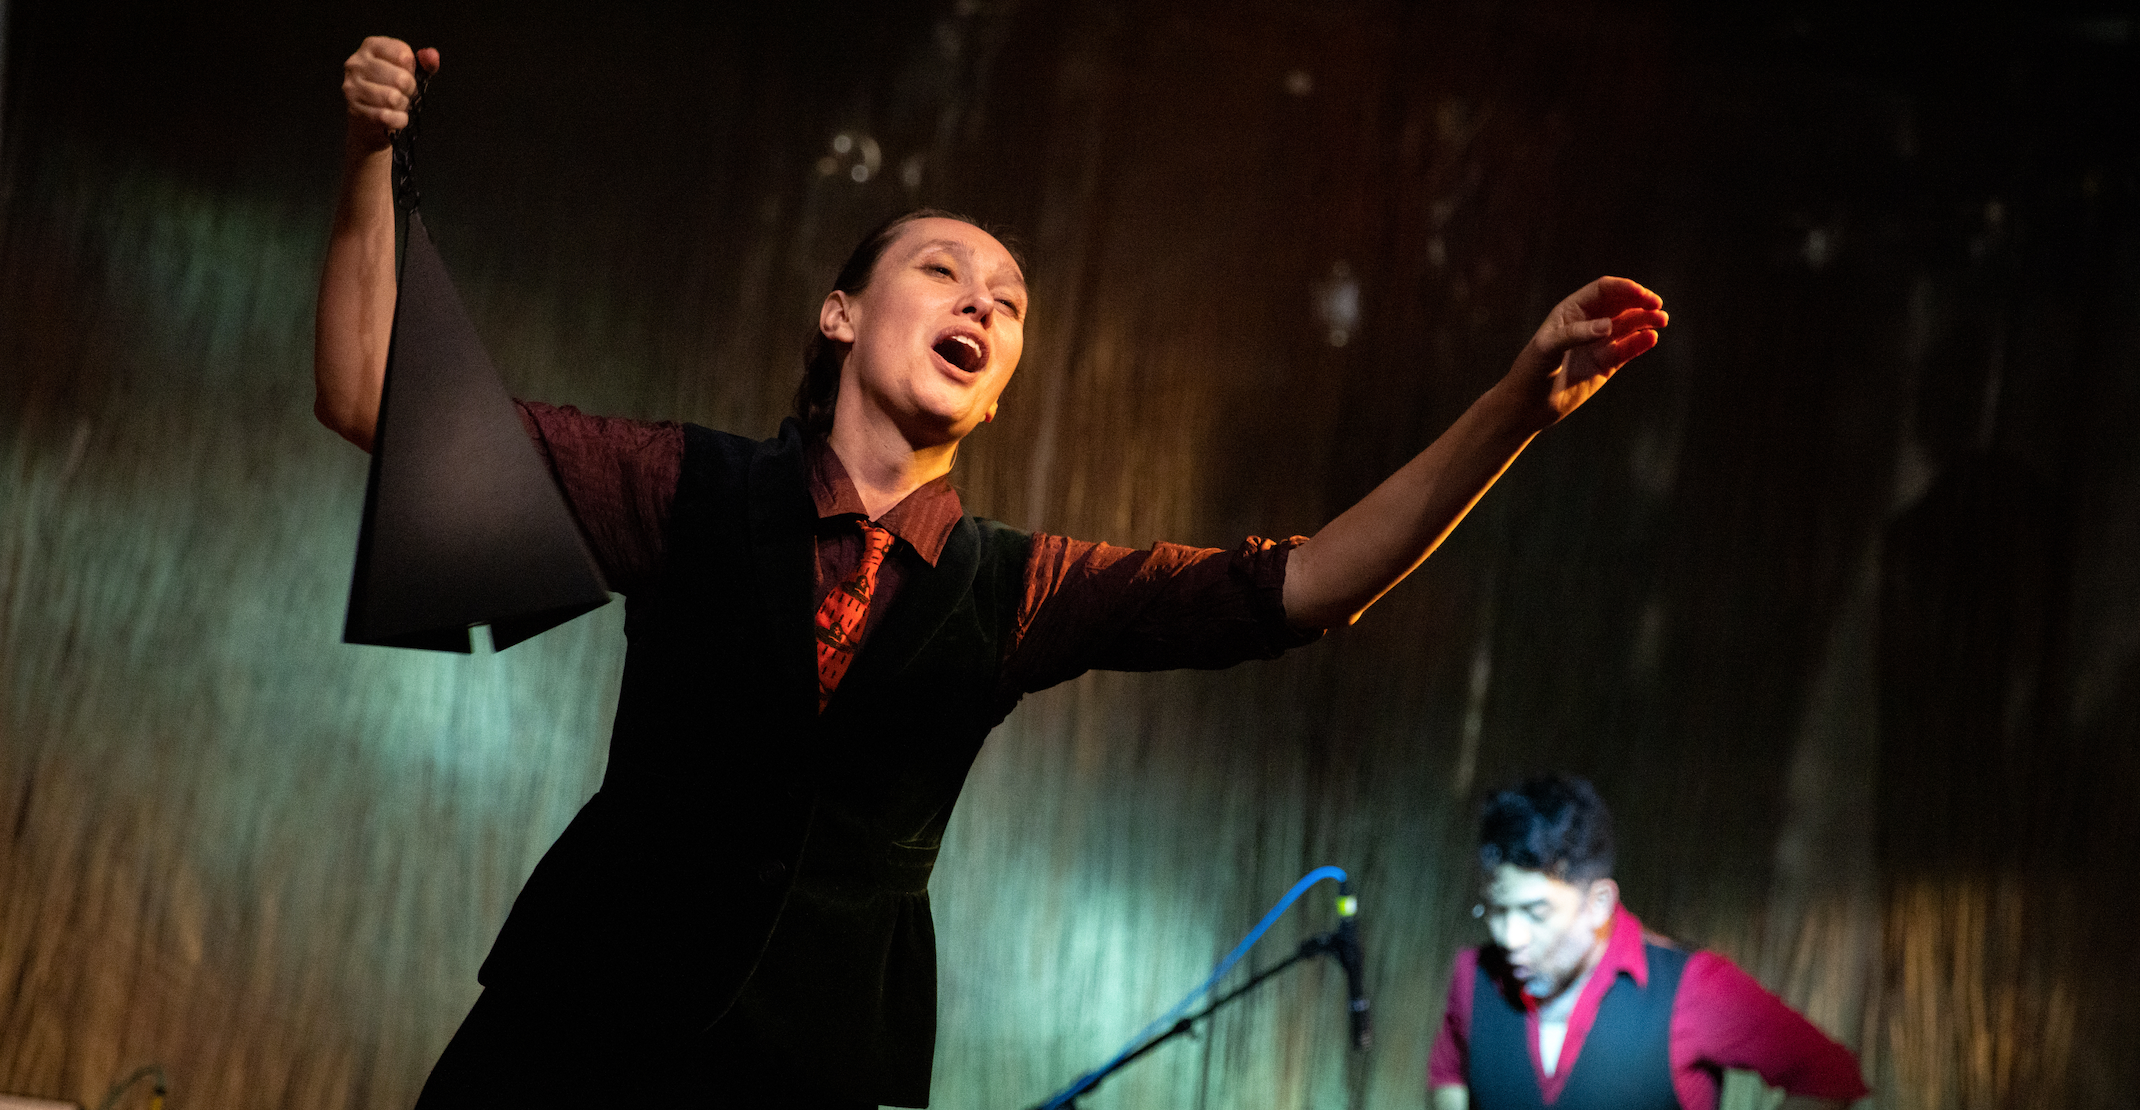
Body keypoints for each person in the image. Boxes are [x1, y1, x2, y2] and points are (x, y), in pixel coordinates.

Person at [319, 37, 1670, 1110]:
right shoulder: (688, 486)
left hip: (814, 1064)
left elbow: (1308, 586)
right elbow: (374, 393)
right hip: (577, 1027)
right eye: (943, 270)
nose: (981, 301)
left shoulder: (1018, 586)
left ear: (1003, 380)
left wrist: (1514, 407)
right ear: (841, 314)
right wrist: (373, 155)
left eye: (1008, 301)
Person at [1430, 775, 1870, 1110]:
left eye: (1535, 913)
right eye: (1496, 910)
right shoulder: (1472, 976)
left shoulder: (1691, 986)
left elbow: (1830, 1075)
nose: (1509, 937)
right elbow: (1447, 1075)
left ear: (1598, 904)